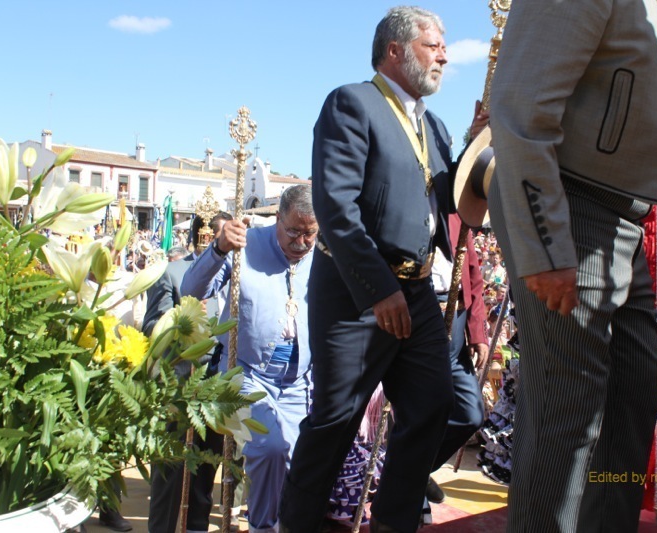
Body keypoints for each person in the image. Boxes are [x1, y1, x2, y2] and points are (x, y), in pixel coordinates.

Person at [486, 0, 657, 530]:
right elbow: (521, 109)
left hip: (620, 215)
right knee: (567, 414)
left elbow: (640, 92)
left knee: (633, 391)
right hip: (571, 203)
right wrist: (544, 244)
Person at [278, 7, 485, 532]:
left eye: (445, 48)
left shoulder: (434, 126)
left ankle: (393, 522)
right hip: (356, 297)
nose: (444, 56)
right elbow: (336, 207)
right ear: (394, 50)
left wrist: (476, 147)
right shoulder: (351, 104)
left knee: (435, 407)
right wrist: (377, 289)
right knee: (336, 422)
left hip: (415, 292)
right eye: (433, 46)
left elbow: (449, 200)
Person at [182, 185, 317, 533]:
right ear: (277, 219)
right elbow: (191, 290)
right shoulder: (246, 245)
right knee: (270, 448)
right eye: (294, 232)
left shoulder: (323, 255)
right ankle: (262, 527)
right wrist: (218, 249)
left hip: (300, 382)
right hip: (246, 375)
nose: (302, 242)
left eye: (310, 233)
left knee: (303, 460)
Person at [145, 213, 231, 533]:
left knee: (206, 468)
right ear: (204, 236)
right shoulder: (172, 272)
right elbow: (151, 326)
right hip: (179, 382)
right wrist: (183, 321)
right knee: (170, 471)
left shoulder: (234, 274)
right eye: (222, 237)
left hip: (217, 383)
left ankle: (197, 526)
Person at [427, 211, 488, 507]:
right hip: (420, 316)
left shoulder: (458, 214)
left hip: (456, 322)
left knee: (470, 413)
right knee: (421, 410)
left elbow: (474, 277)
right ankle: (409, 487)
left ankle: (415, 469)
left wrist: (478, 332)